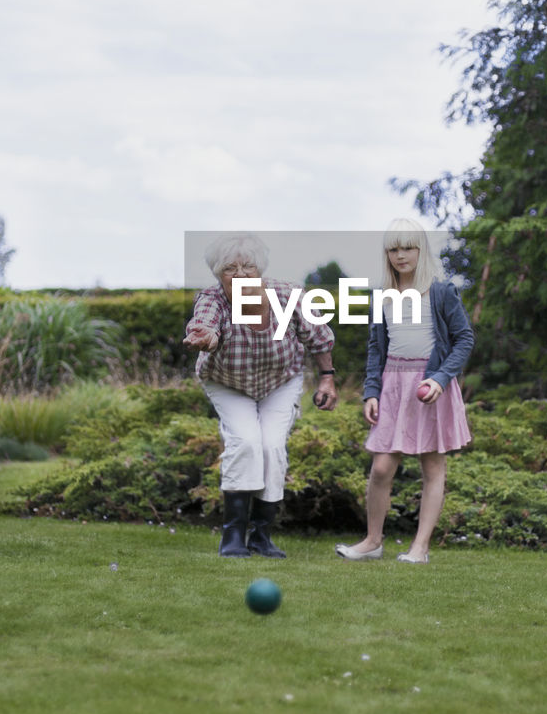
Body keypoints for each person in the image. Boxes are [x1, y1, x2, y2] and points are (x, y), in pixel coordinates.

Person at [184, 233, 337, 558]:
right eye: (229, 268)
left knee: (272, 447)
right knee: (246, 442)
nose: (240, 275)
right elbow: (207, 324)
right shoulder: (212, 299)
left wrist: (327, 379)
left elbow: (320, 339)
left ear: (260, 268)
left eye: (247, 266)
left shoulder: (289, 295)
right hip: (227, 382)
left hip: (281, 381)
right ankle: (233, 537)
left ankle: (262, 537)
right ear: (217, 274)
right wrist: (208, 337)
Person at [335, 219, 473, 564]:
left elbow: (464, 339)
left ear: (420, 250)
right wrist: (371, 392)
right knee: (382, 467)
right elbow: (375, 350)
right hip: (393, 385)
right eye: (394, 249)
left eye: (408, 247)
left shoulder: (441, 291)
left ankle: (420, 548)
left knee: (432, 468)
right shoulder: (382, 295)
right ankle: (372, 541)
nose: (401, 255)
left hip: (430, 385)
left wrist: (440, 379)